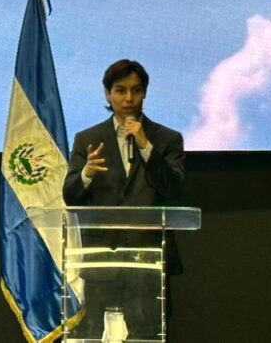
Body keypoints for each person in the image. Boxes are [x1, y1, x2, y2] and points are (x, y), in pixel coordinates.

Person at [63, 59, 185, 339]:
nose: (129, 98)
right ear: (108, 94)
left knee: (148, 336)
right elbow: (70, 196)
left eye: (136, 90)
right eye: (120, 90)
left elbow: (174, 189)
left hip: (149, 264)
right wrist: (86, 174)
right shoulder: (88, 139)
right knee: (99, 336)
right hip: (102, 264)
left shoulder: (167, 139)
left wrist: (145, 146)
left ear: (145, 93)